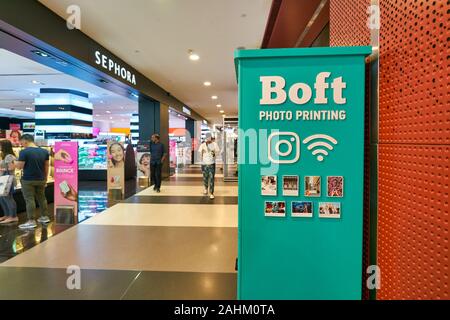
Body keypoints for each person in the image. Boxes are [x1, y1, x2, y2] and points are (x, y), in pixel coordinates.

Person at [15, 134, 50, 230]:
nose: (22, 145)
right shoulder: (44, 151)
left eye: (22, 143)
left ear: (25, 141)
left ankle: (31, 221)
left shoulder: (24, 152)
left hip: (28, 180)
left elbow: (20, 166)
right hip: (41, 179)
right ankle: (44, 217)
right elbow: (46, 166)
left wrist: (14, 163)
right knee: (42, 198)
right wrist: (45, 178)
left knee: (29, 199)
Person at [0, 140, 18, 224]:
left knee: (8, 198)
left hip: (8, 180)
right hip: (4, 180)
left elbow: (12, 168)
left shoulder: (9, 156)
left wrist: (1, 169)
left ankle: (13, 216)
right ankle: (7, 215)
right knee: (3, 198)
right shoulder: (6, 156)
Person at [198, 134, 220, 199]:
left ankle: (211, 193)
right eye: (207, 138)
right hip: (204, 164)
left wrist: (212, 151)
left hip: (211, 164)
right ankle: (205, 188)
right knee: (205, 177)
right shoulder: (202, 145)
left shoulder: (214, 145)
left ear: (211, 138)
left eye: (209, 138)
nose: (208, 139)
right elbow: (200, 153)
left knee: (212, 178)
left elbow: (216, 154)